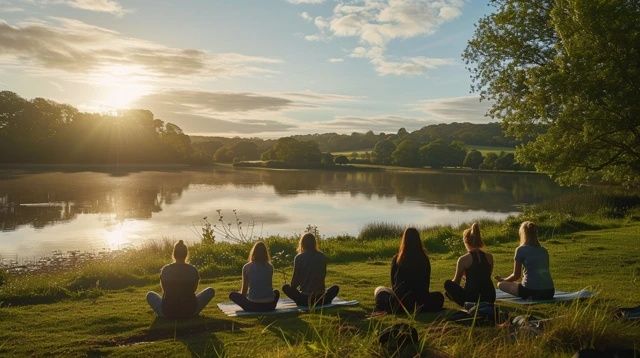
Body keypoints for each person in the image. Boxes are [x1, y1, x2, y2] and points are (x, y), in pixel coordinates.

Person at [374, 228, 444, 314]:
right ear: (418, 240)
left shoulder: (397, 259)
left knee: (379, 289)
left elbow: (393, 284)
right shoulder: (424, 259)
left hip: (400, 303)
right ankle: (418, 307)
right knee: (439, 297)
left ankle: (405, 307)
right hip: (420, 301)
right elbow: (426, 283)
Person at [146, 240, 215, 319]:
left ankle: (168, 311)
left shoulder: (166, 270)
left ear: (174, 254)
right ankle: (187, 312)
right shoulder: (193, 270)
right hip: (190, 311)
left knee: (150, 295)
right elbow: (194, 290)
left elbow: (164, 291)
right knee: (210, 291)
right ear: (186, 254)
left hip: (167, 312)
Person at [496, 221, 555, 300]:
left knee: (500, 284)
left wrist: (503, 280)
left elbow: (516, 276)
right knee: (521, 283)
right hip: (549, 292)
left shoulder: (521, 250)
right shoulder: (544, 250)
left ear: (523, 234)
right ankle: (535, 295)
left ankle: (531, 296)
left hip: (530, 290)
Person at [444, 223, 496, 307]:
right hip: (490, 297)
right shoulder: (489, 257)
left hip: (472, 299)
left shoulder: (463, 259)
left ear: (466, 242)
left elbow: (456, 281)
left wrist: (449, 291)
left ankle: (469, 305)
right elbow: (485, 276)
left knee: (448, 284)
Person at [282, 233, 340, 307]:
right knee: (335, 288)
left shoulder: (299, 258)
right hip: (321, 298)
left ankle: (301, 301)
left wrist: (301, 286)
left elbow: (294, 284)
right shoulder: (322, 256)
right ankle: (325, 300)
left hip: (305, 299)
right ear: (314, 243)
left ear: (302, 244)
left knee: (285, 287)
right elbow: (322, 276)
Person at [229, 241, 280, 312]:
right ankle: (268, 304)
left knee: (232, 295)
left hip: (253, 306)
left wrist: (245, 295)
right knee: (276, 292)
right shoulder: (270, 267)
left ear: (253, 252)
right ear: (265, 253)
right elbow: (268, 285)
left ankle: (254, 305)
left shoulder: (247, 267)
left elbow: (244, 291)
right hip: (270, 305)